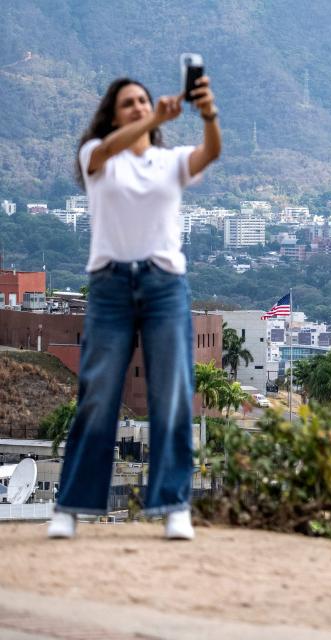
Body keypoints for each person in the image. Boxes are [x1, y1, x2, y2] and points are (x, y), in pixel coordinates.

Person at [48, 72, 221, 540]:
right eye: (128, 103)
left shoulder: (169, 161)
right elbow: (104, 150)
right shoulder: (96, 158)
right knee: (98, 394)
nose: (139, 106)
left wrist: (208, 115)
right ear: (112, 114)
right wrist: (151, 120)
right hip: (109, 285)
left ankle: (173, 502)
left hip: (165, 284)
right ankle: (71, 503)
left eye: (143, 100)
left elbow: (209, 153)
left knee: (172, 393)